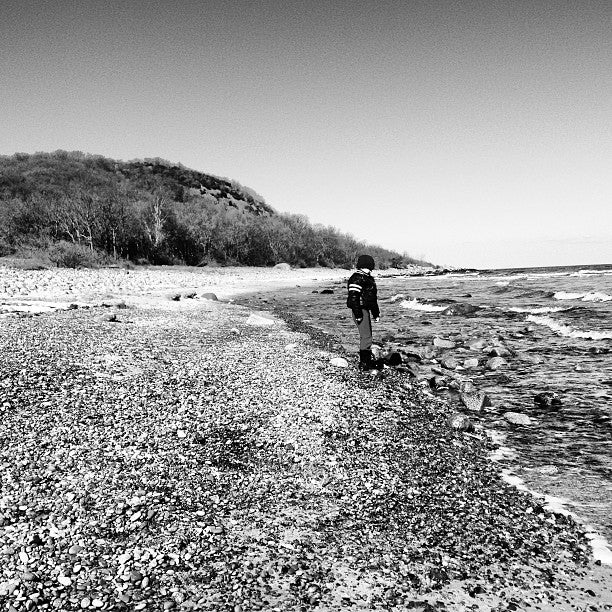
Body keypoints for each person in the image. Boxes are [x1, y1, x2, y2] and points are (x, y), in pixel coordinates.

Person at [346, 254, 380, 371]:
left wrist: (376, 313)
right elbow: (353, 297)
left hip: (364, 309)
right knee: (366, 337)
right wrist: (358, 314)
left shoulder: (367, 278)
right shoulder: (357, 278)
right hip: (360, 310)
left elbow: (372, 299)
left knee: (367, 336)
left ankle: (366, 361)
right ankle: (364, 363)